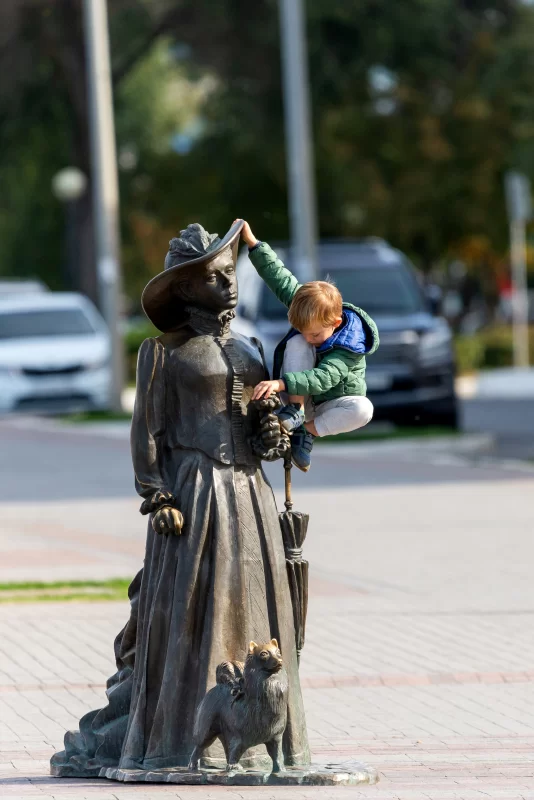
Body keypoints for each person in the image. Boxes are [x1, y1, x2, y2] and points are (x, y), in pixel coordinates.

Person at [50, 221, 310, 777]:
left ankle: (265, 734)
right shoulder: (164, 354)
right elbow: (147, 430)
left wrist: (274, 436)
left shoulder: (252, 346)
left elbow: (264, 421)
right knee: (194, 611)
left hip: (251, 495)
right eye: (216, 278)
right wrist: (157, 494)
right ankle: (184, 739)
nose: (230, 286)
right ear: (187, 288)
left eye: (230, 274)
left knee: (257, 604)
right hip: (196, 492)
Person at [236, 220, 379, 472]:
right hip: (298, 395)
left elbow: (323, 379)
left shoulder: (349, 346)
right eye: (305, 331)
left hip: (330, 403)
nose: (310, 338)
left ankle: (306, 433)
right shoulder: (310, 311)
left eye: (315, 334)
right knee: (298, 343)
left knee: (363, 409)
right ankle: (295, 409)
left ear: (335, 323)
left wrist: (280, 384)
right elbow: (279, 277)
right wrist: (252, 243)